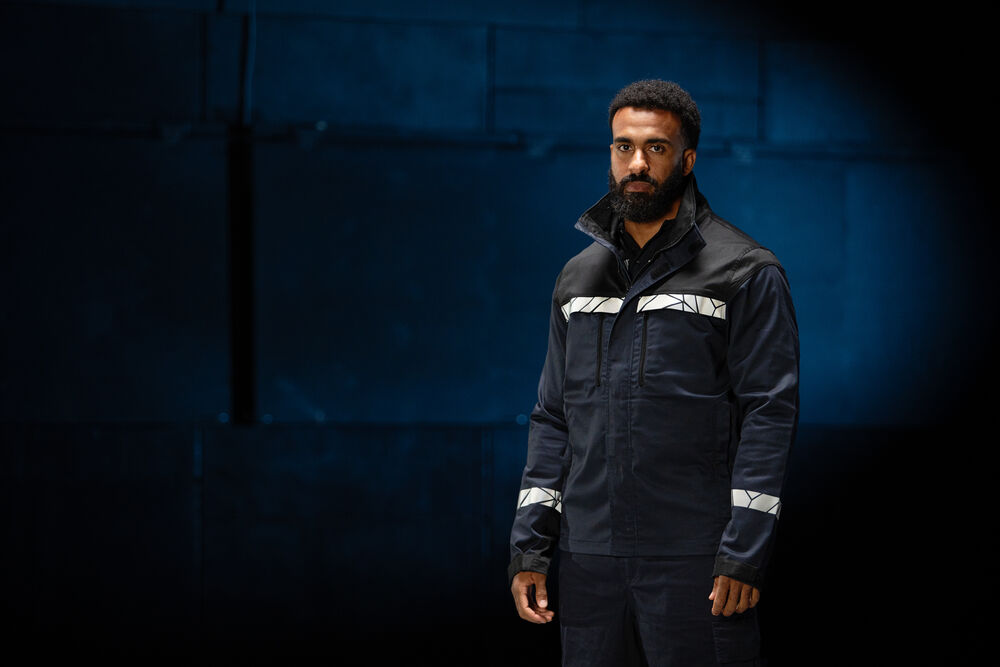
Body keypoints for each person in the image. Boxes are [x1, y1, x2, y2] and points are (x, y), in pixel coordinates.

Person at [508, 79, 799, 666]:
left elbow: (769, 415)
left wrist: (743, 554)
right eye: (624, 146)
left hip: (697, 561)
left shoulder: (744, 271)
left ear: (687, 160)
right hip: (589, 561)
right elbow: (553, 417)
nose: (637, 163)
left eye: (656, 148)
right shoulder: (577, 277)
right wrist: (530, 549)